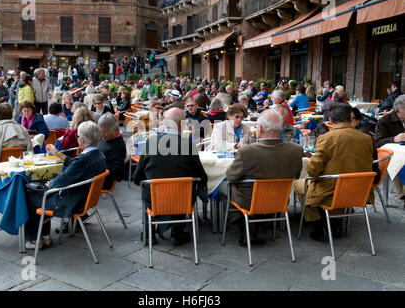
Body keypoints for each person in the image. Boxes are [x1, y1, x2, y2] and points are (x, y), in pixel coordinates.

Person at [294, 103, 376, 241]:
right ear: (350, 119)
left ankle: (320, 225)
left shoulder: (327, 138)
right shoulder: (367, 138)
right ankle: (336, 222)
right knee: (328, 184)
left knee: (299, 184)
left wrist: (311, 162)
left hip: (331, 191)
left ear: (330, 120)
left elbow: (313, 171)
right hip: (359, 190)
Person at [225, 109, 303, 245]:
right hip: (279, 198)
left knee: (223, 187)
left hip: (249, 200)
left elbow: (231, 177)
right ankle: (260, 225)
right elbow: (296, 174)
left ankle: (245, 227)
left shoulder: (247, 152)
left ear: (259, 129)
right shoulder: (296, 150)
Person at [25, 121, 106, 249]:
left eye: (77, 136)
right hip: (84, 199)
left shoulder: (83, 160)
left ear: (82, 140)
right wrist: (57, 153)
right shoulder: (98, 154)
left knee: (30, 192)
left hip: (72, 202)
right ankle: (45, 235)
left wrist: (51, 184)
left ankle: (34, 239)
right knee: (42, 189)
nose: (77, 138)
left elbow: (64, 179)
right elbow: (75, 166)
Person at [133, 107, 208, 245]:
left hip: (155, 199)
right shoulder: (188, 145)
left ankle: (149, 231)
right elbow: (201, 176)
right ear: (181, 125)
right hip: (181, 200)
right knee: (183, 189)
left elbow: (137, 177)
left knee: (148, 188)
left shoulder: (151, 142)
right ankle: (177, 232)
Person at [374, 95, 405, 199]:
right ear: (400, 109)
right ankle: (403, 193)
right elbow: (377, 142)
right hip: (393, 155)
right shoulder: (385, 121)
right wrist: (394, 139)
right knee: (399, 163)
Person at [98, 113, 126, 190]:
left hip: (102, 180)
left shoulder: (117, 146)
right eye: (101, 131)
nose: (102, 135)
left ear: (115, 130)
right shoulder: (107, 138)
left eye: (105, 132)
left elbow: (118, 172)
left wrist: (96, 165)